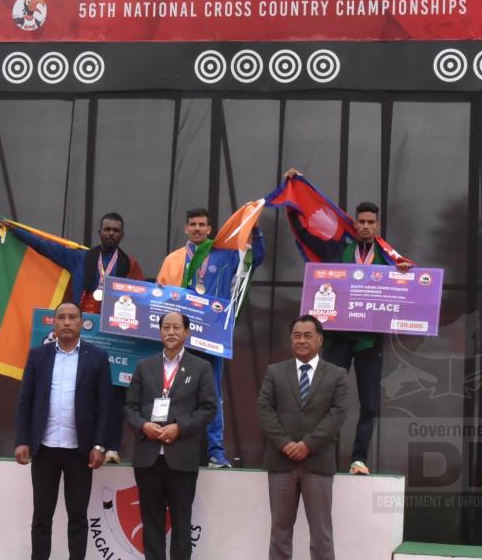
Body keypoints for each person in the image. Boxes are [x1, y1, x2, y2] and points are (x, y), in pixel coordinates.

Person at [282, 169, 411, 475]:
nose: (365, 226)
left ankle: (358, 459)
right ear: (354, 223)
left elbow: (414, 286)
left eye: (370, 222)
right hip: (339, 337)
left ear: (377, 225)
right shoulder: (340, 250)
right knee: (324, 398)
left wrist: (406, 276)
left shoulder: (389, 257)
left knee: (369, 403)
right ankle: (320, 454)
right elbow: (305, 232)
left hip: (368, 341)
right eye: (361, 222)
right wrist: (293, 193)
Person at [3, 212, 146, 464]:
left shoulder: (130, 264)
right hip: (84, 330)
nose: (110, 233)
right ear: (99, 232)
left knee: (114, 390)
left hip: (113, 333)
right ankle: (79, 442)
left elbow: (142, 296)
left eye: (115, 230)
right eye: (107, 229)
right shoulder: (80, 257)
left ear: (121, 235)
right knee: (76, 388)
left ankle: (112, 447)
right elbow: (45, 247)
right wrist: (14, 230)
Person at [155, 207, 264, 468]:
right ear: (185, 228)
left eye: (202, 224)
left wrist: (256, 231)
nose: (197, 228)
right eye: (192, 224)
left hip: (211, 338)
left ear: (209, 229)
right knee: (171, 390)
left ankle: (216, 452)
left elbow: (255, 259)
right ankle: (167, 446)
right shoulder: (173, 259)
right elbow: (159, 295)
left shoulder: (225, 256)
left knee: (212, 394)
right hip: (178, 338)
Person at [14, 301, 117, 560]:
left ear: (82, 323)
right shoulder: (38, 356)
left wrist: (99, 445)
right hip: (45, 448)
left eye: (73, 317)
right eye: (62, 317)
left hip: (80, 452)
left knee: (78, 517)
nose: (67, 322)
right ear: (54, 323)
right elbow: (25, 401)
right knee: (41, 517)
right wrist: (22, 440)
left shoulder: (97, 357)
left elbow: (106, 405)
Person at [124, 312, 216, 560]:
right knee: (151, 523)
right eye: (166, 327)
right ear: (160, 332)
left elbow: (208, 409)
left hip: (182, 458)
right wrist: (143, 426)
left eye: (177, 327)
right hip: (148, 458)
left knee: (182, 524)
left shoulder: (201, 367)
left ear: (187, 332)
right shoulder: (145, 366)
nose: (171, 332)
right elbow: (130, 407)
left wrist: (179, 427)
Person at [258, 315, 349, 560]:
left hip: (318, 463)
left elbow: (338, 414)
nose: (301, 340)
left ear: (320, 340)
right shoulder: (274, 372)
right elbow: (264, 410)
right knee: (280, 532)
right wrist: (286, 444)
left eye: (308, 335)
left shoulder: (337, 375)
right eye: (296, 335)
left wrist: (308, 445)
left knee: (321, 534)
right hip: (281, 461)